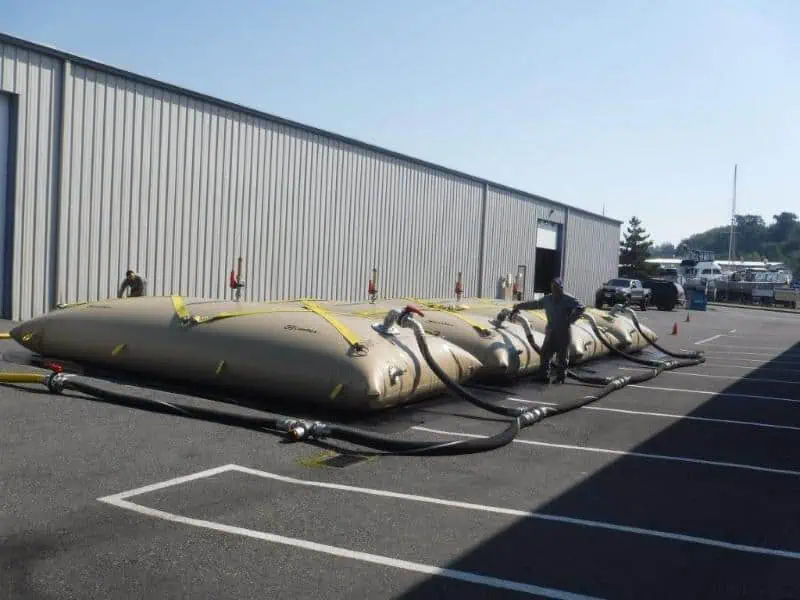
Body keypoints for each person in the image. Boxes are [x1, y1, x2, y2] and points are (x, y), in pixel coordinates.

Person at [510, 277, 585, 383]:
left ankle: (560, 377)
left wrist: (571, 319)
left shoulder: (568, 299)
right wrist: (519, 306)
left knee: (562, 355)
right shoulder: (547, 299)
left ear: (561, 287)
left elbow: (581, 307)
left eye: (556, 287)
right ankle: (543, 375)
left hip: (563, 331)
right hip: (551, 331)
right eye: (553, 287)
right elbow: (534, 304)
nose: (554, 289)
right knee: (545, 353)